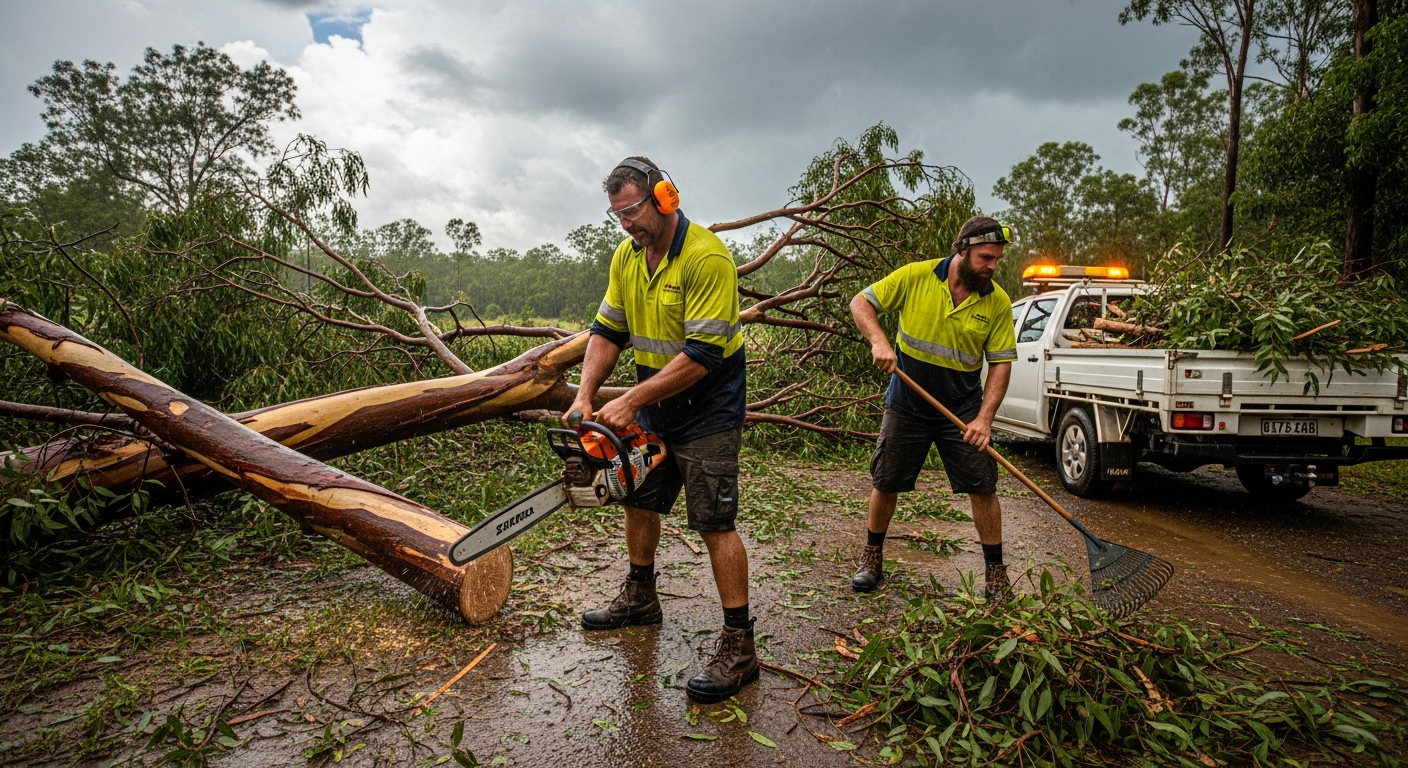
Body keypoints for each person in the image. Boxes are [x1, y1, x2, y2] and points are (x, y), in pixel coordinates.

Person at [566, 157, 754, 703]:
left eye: (633, 210)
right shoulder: (627, 257)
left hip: (709, 408)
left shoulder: (706, 258)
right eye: (617, 214)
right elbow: (607, 330)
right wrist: (585, 396)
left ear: (665, 197)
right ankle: (641, 597)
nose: (627, 223)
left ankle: (740, 646)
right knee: (640, 501)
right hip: (658, 402)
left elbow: (701, 356)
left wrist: (629, 401)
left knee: (714, 521)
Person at [847, 216, 1018, 597]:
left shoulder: (997, 301)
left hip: (962, 412)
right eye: (986, 257)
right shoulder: (916, 276)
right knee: (886, 481)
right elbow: (861, 302)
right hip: (907, 404)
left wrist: (984, 420)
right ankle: (872, 559)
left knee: (983, 487)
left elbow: (1001, 364)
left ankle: (995, 575)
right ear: (961, 250)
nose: (992, 266)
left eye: (996, 259)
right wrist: (879, 342)